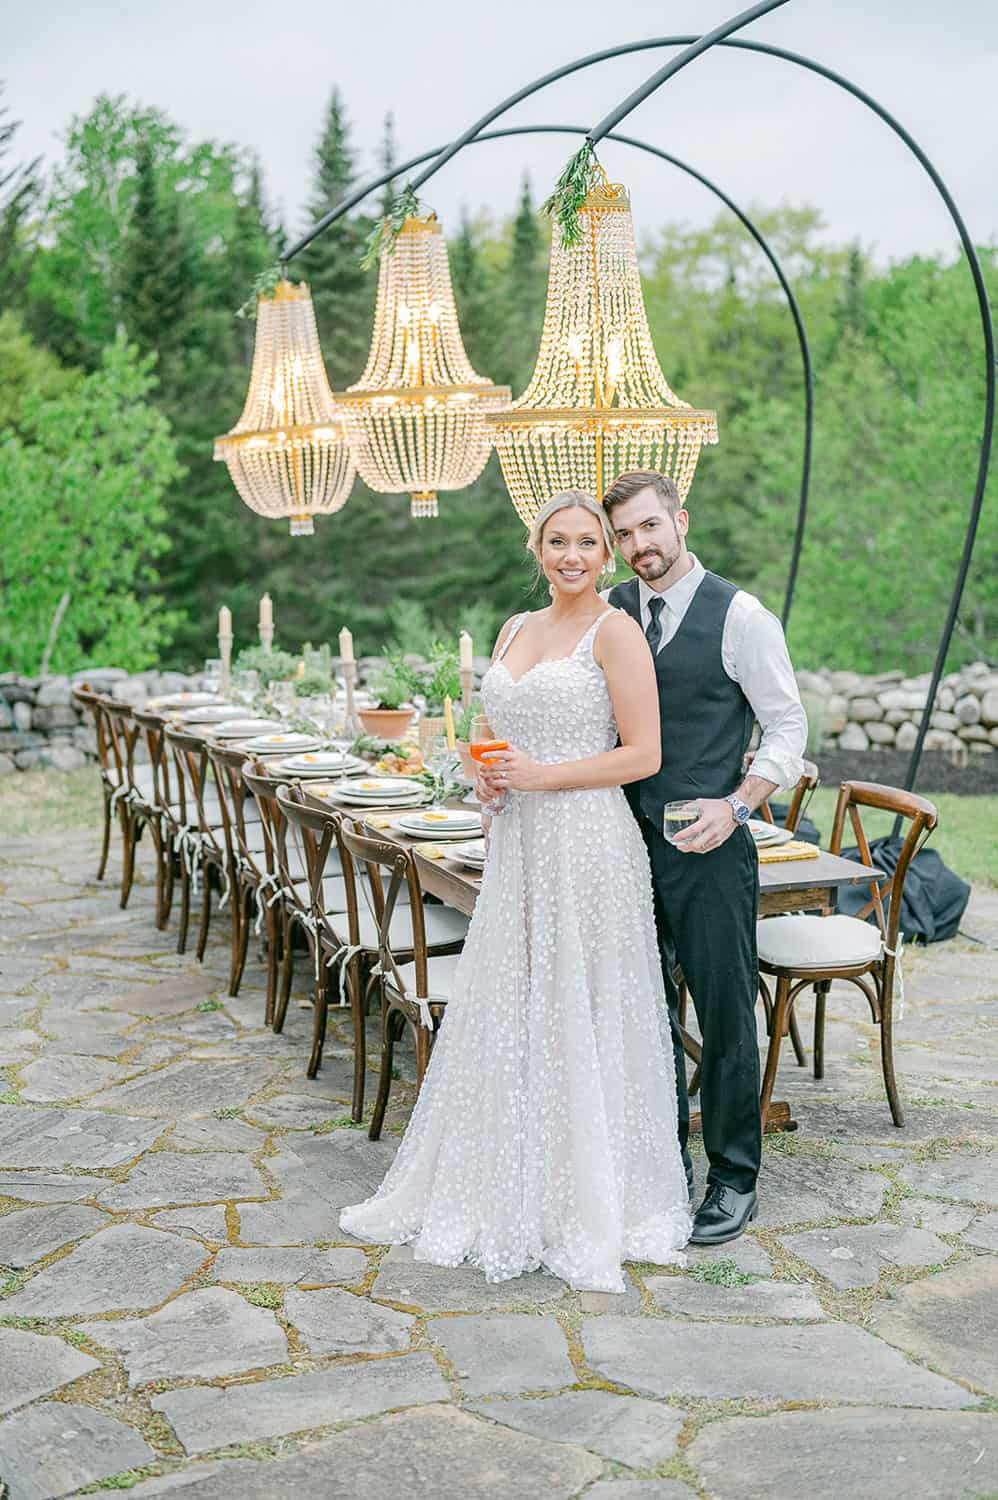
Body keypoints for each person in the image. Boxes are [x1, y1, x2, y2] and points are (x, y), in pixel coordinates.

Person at [340, 490, 691, 1290]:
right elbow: (487, 733)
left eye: (588, 544)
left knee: (579, 1003)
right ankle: (508, 1173)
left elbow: (642, 754)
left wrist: (543, 775)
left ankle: (583, 1195)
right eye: (557, 542)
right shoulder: (514, 630)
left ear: (606, 556)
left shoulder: (618, 632)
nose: (572, 556)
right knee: (518, 1002)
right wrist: (484, 774)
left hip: (588, 843)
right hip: (520, 841)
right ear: (537, 550)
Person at [601, 469, 807, 1245]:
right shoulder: (614, 611)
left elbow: (787, 729)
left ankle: (732, 1178)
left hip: (708, 846)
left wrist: (739, 804)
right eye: (623, 534)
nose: (637, 547)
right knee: (638, 1006)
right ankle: (657, 1165)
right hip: (621, 843)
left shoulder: (741, 616)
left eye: (649, 527)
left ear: (680, 519)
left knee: (723, 1013)